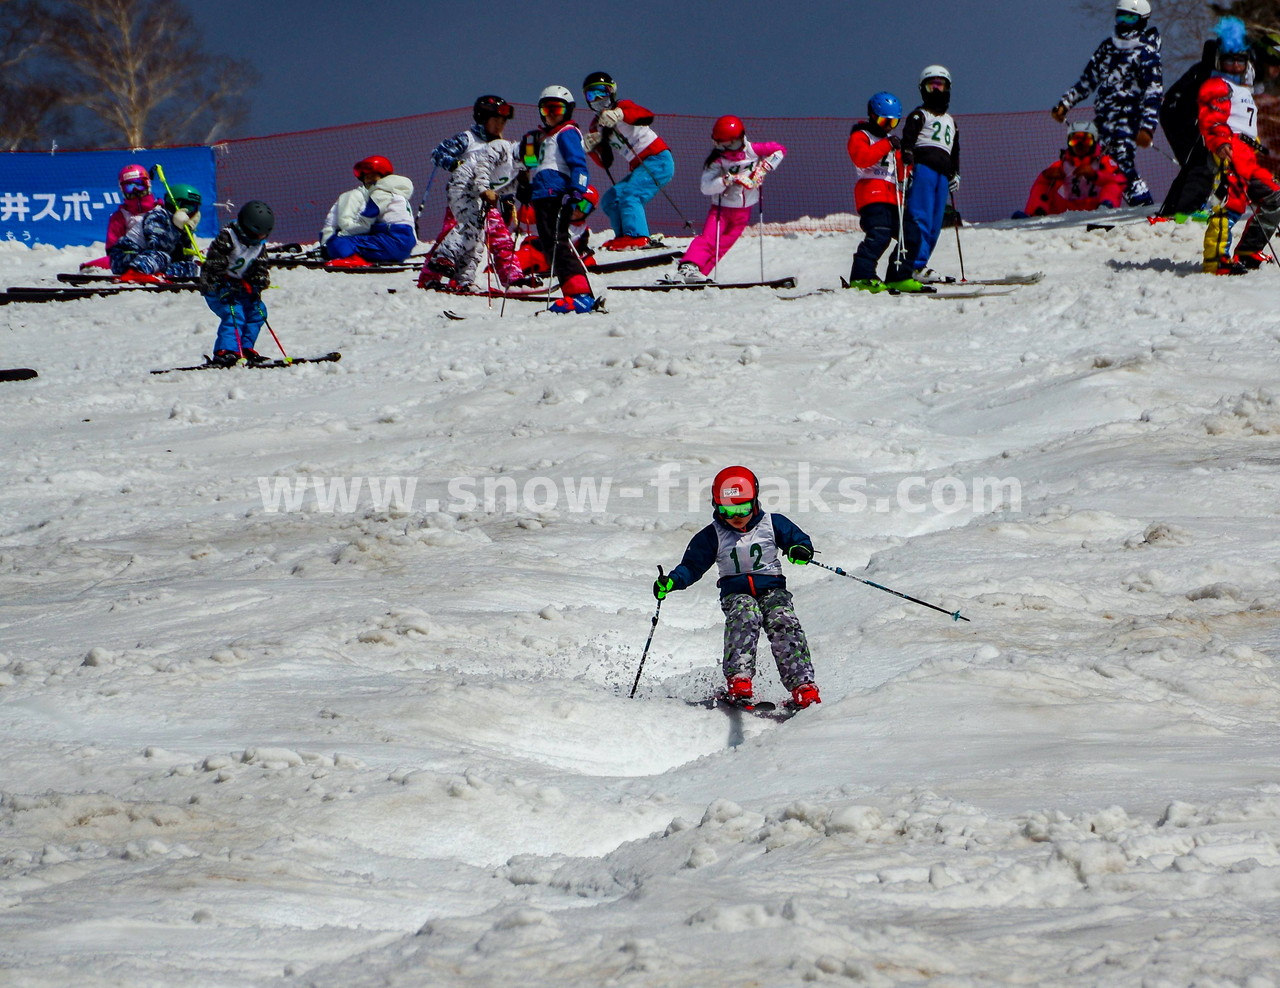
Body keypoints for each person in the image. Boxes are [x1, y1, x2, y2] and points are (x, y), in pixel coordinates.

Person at [652, 465, 820, 710]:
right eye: (727, 510)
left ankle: (802, 685)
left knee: (782, 619)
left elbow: (799, 540)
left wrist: (800, 550)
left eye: (742, 508)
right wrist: (672, 581)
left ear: (754, 502)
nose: (736, 516)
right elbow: (692, 566)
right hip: (736, 593)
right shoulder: (713, 536)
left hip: (772, 590)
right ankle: (739, 679)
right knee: (745, 612)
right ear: (716, 507)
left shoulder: (773, 524)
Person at [1052, 0, 1162, 207]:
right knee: (1102, 160)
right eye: (1120, 16)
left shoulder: (1146, 52)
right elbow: (1088, 80)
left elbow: (1154, 91)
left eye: (1129, 18)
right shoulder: (1108, 48)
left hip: (1129, 115)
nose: (1123, 22)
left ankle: (1143, 203)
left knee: (1120, 158)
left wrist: (1148, 128)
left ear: (1141, 21)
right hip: (1105, 116)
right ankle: (1108, 203)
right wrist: (1065, 104)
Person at [421, 96, 529, 291]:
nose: (499, 126)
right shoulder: (468, 139)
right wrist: (457, 164)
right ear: (482, 118)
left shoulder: (502, 145)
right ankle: (429, 277)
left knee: (499, 236)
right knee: (453, 236)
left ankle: (512, 277)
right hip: (463, 197)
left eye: (503, 121)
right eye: (495, 120)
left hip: (486, 202)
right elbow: (438, 153)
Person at [1198, 18, 1280, 274]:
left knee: (1274, 196)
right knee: (1231, 202)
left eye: (1240, 60)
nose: (1235, 65)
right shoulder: (1217, 85)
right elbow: (1211, 117)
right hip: (1230, 150)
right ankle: (1216, 259)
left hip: (1249, 154)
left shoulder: (1244, 88)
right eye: (1229, 60)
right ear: (1219, 61)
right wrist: (1220, 142)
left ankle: (1248, 248)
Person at [672, 115, 785, 284]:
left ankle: (699, 274)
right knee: (709, 239)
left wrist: (764, 168)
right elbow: (705, 187)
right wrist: (728, 180)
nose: (731, 149)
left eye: (734, 143)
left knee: (722, 246)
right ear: (716, 143)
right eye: (725, 145)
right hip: (722, 210)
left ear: (742, 138)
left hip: (743, 212)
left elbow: (779, 150)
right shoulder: (717, 161)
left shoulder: (752, 150)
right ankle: (688, 267)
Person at [522, 85, 599, 313]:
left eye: (557, 108)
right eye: (546, 109)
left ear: (568, 110)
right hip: (543, 196)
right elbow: (536, 167)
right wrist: (527, 189)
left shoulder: (567, 133)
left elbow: (579, 164)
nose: (552, 113)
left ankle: (580, 295)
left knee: (558, 244)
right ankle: (571, 294)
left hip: (558, 196)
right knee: (550, 247)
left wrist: (577, 189)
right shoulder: (546, 138)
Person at [581, 71, 674, 250]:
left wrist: (620, 114)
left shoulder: (623, 106)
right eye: (591, 94)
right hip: (639, 167)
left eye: (602, 91)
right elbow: (605, 162)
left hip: (658, 159)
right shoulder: (596, 125)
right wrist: (591, 148)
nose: (598, 98)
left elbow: (646, 116)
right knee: (611, 199)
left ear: (612, 91)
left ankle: (638, 236)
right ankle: (624, 236)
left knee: (631, 194)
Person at [846, 91, 926, 293]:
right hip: (872, 194)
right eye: (883, 121)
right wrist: (887, 144)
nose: (888, 127)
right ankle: (861, 276)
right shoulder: (861, 136)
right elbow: (862, 159)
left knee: (912, 235)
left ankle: (899, 276)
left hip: (894, 197)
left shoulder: (892, 141)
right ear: (872, 116)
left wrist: (907, 160)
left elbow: (900, 173)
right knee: (879, 234)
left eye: (893, 123)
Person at [902, 66, 961, 282]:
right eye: (931, 85)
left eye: (940, 85)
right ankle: (913, 264)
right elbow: (907, 141)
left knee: (936, 221)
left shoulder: (951, 122)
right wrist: (907, 162)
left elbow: (955, 150)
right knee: (921, 216)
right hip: (923, 169)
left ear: (947, 88)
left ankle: (921, 265)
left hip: (943, 174)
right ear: (923, 89)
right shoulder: (919, 115)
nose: (936, 90)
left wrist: (956, 173)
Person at [198, 201, 275, 366]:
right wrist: (222, 286)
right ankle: (225, 351)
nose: (258, 240)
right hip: (215, 285)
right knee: (234, 312)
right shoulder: (228, 237)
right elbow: (214, 266)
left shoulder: (258, 246)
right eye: (256, 235)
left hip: (238, 286)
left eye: (262, 236)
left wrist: (257, 284)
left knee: (258, 311)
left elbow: (260, 269)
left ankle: (245, 348)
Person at [320, 155, 416, 267]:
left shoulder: (380, 193)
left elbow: (365, 224)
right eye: (366, 177)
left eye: (373, 176)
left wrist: (342, 234)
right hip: (404, 243)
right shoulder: (398, 194)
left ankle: (353, 259)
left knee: (337, 242)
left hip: (392, 241)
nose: (369, 180)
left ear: (383, 176)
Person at [1018, 121, 1128, 216]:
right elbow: (1041, 185)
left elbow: (1121, 180)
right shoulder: (1062, 165)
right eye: (1075, 140)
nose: (1080, 145)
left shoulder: (1104, 162)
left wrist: (1095, 175)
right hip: (1068, 210)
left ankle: (1106, 210)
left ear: (1094, 142)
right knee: (1045, 183)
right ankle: (1034, 215)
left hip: (1097, 207)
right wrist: (1045, 176)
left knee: (1113, 184)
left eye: (1086, 140)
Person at [107, 182, 202, 283]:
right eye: (187, 207)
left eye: (195, 208)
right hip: (125, 256)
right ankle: (135, 273)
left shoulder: (183, 225)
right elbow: (156, 246)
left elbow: (185, 256)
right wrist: (177, 229)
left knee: (190, 266)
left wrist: (185, 233)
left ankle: (163, 275)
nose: (190, 212)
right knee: (162, 256)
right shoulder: (158, 215)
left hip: (150, 259)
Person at [82, 164, 158, 271]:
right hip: (133, 257)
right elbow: (112, 250)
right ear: (122, 190)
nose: (135, 190)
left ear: (148, 184)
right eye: (129, 187)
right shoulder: (120, 216)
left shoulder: (161, 210)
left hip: (159, 255)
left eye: (139, 184)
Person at [514, 187, 599, 276]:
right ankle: (511, 272)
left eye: (584, 206)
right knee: (523, 258)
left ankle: (588, 272)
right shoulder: (551, 213)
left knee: (587, 260)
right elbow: (524, 216)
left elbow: (580, 247)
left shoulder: (581, 229)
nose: (577, 209)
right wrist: (529, 203)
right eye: (574, 203)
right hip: (537, 250)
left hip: (560, 258)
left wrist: (583, 254)